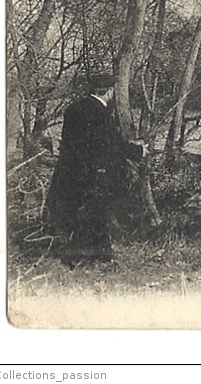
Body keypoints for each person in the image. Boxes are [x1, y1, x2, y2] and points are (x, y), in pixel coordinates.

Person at [44, 73, 144, 267]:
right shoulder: (100, 112)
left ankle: (77, 255)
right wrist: (137, 150)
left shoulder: (73, 108)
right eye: (113, 91)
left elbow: (76, 142)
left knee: (73, 212)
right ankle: (94, 257)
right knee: (96, 212)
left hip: (69, 170)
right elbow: (109, 145)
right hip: (92, 172)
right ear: (108, 92)